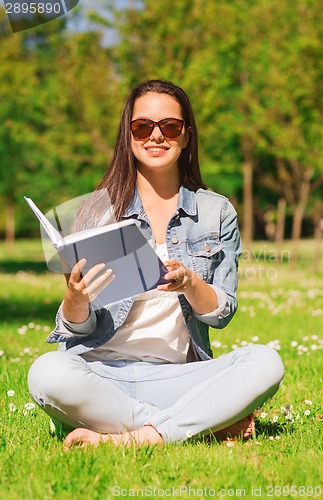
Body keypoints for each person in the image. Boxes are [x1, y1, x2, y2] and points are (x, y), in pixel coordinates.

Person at [28, 80, 284, 449]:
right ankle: (195, 422)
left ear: (186, 136)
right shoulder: (97, 211)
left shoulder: (216, 212)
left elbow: (222, 312)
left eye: (170, 126)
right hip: (100, 373)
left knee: (266, 362)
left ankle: (130, 435)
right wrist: (75, 298)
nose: (156, 136)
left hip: (178, 375)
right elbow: (78, 329)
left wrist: (192, 284)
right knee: (46, 373)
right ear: (129, 135)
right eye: (142, 127)